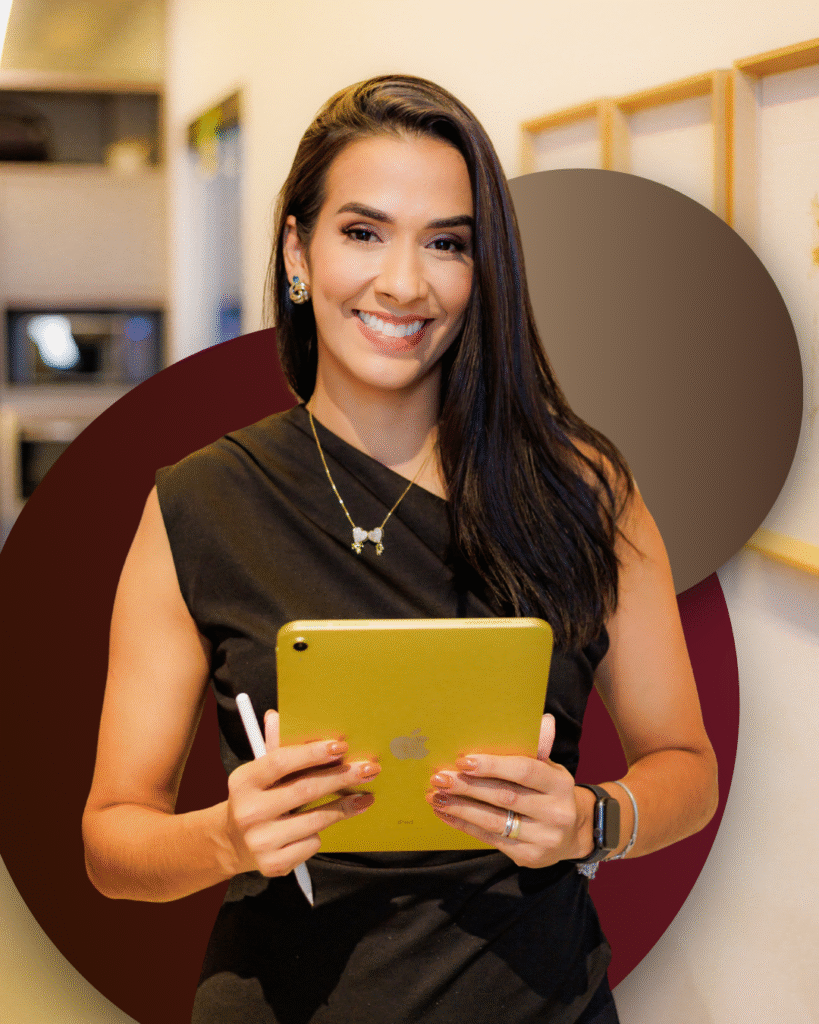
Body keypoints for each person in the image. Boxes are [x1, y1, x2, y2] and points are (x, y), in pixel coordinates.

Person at [82, 74, 718, 1024]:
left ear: (482, 269)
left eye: (446, 243)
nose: (404, 284)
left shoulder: (583, 491)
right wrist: (226, 838)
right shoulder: (199, 504)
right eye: (363, 232)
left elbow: (685, 765)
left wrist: (593, 821)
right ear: (297, 252)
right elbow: (111, 841)